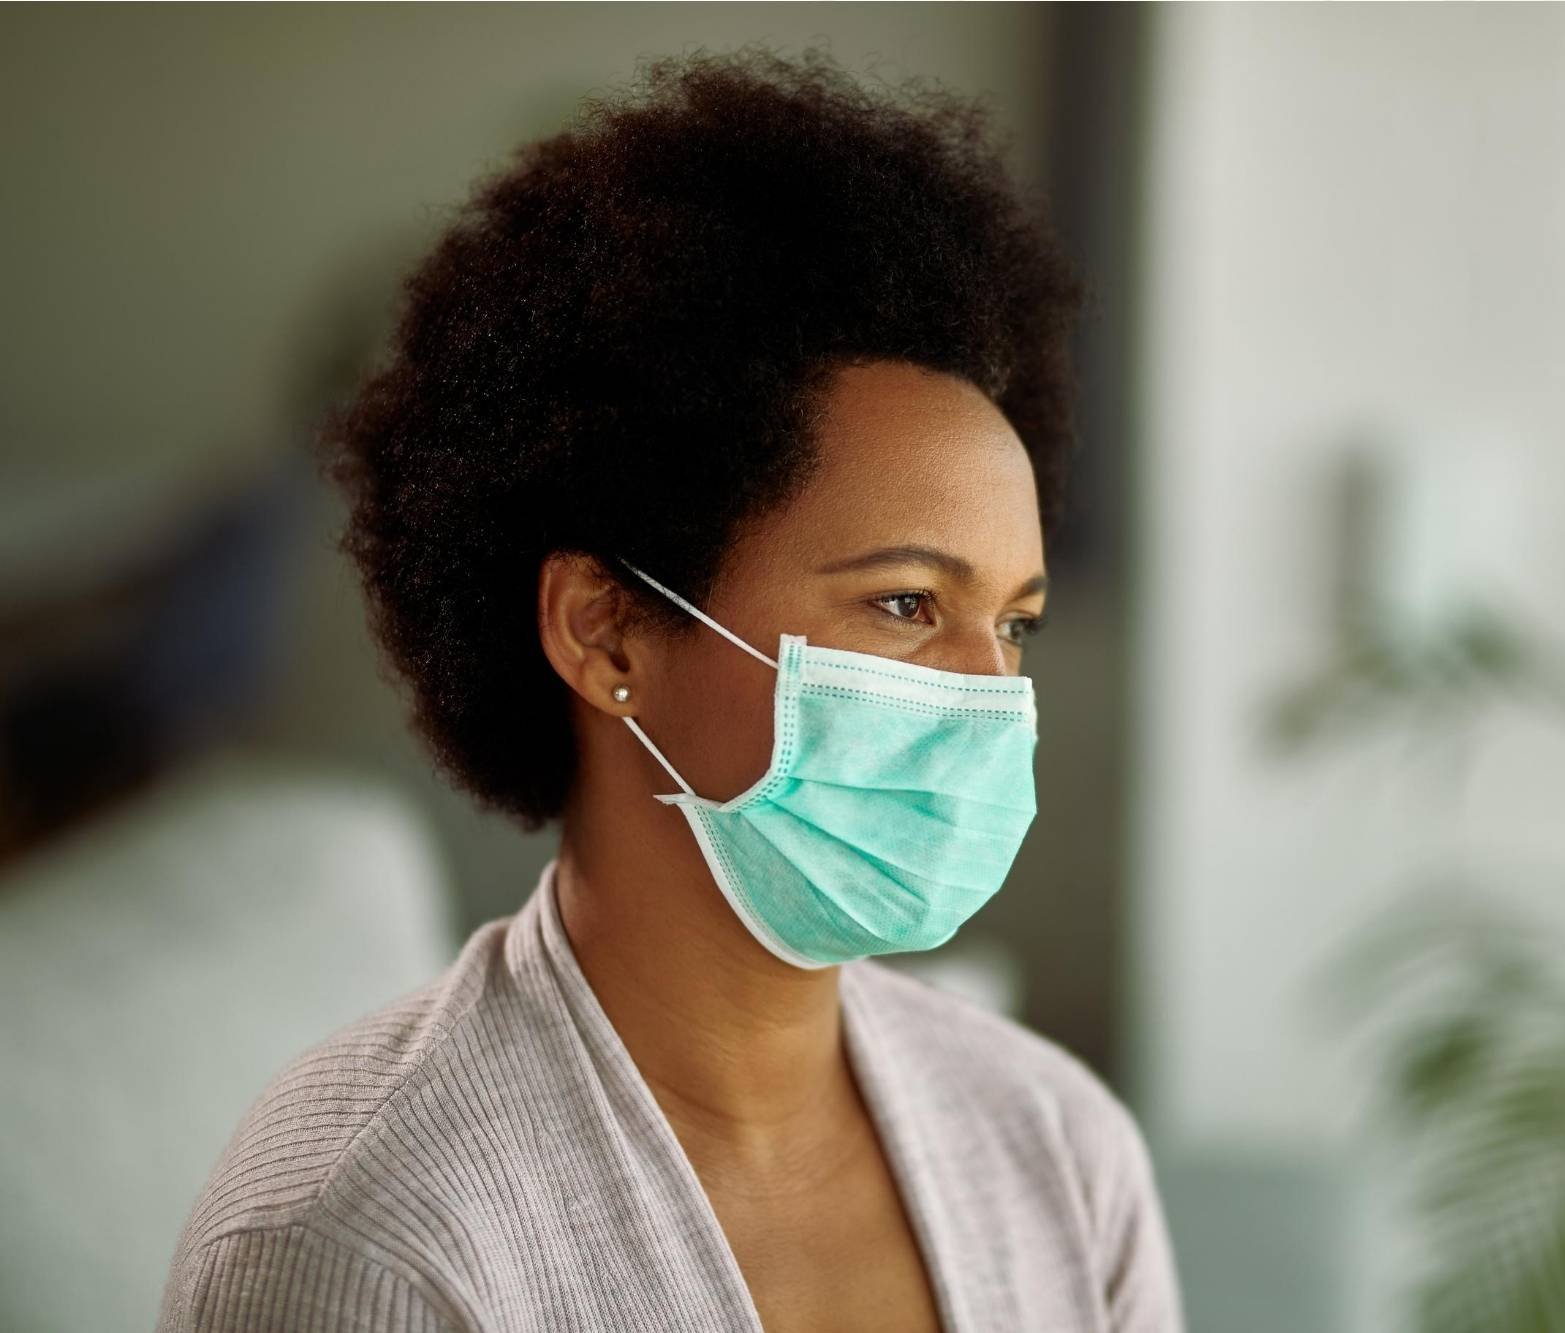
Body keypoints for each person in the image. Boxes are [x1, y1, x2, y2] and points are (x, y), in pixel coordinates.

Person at [155, 45, 1185, 1333]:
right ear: (609, 635)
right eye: (907, 604)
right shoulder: (368, 1235)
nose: (991, 694)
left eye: (1015, 622)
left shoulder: (1061, 1149)